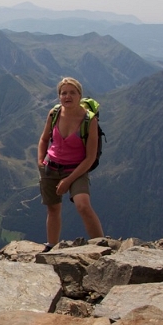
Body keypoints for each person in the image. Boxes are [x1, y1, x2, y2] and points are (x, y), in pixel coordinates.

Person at [37, 77, 104, 247]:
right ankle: (52, 246)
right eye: (63, 93)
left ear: (80, 95)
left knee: (83, 205)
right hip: (51, 166)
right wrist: (40, 161)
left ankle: (102, 246)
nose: (68, 96)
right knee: (53, 209)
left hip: (77, 169)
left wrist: (67, 181)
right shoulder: (54, 114)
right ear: (59, 96)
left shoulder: (89, 120)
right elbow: (44, 139)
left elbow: (90, 157)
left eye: (72, 93)